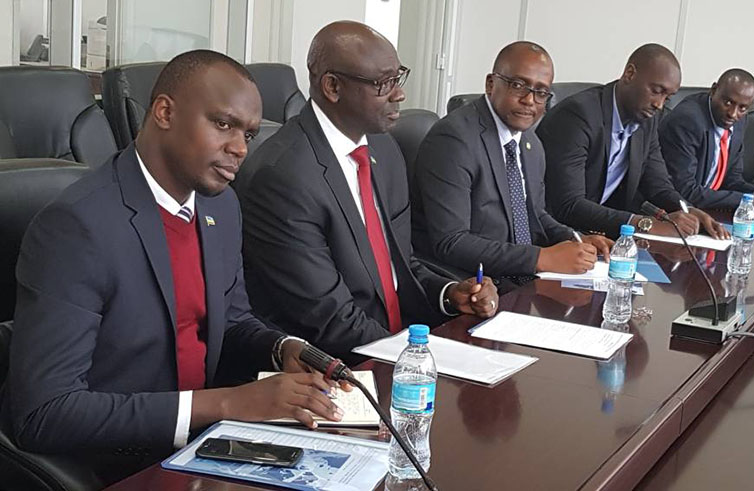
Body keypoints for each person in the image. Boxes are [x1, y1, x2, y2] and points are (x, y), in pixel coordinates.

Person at [2, 50, 346, 485]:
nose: (240, 148)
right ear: (164, 112)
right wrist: (226, 404)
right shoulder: (76, 226)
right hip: (121, 462)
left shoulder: (219, 206)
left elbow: (232, 320)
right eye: (223, 124)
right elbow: (45, 413)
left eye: (249, 133)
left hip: (207, 445)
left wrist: (282, 349)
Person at [238, 21, 498, 359]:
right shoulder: (283, 178)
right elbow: (330, 319)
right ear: (332, 86)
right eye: (383, 83)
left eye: (398, 76)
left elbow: (398, 264)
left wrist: (450, 295)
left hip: (395, 345)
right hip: (334, 367)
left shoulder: (384, 149)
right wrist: (420, 358)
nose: (399, 93)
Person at [412, 41, 611, 288]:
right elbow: (451, 242)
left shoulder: (530, 142)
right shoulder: (453, 139)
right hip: (474, 281)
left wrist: (576, 240)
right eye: (518, 85)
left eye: (541, 92)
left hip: (519, 273)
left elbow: (534, 213)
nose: (529, 100)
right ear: (490, 84)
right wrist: (542, 258)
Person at [537, 44, 728, 240]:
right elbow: (569, 205)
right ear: (629, 74)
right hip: (554, 235)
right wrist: (644, 224)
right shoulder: (578, 116)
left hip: (600, 234)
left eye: (667, 97)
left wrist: (688, 209)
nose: (659, 104)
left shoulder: (647, 120)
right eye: (656, 91)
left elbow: (658, 185)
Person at [659, 68, 754, 211]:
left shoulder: (739, 121)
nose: (733, 114)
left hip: (711, 208)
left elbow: (731, 180)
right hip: (679, 210)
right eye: (728, 102)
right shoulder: (687, 121)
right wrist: (753, 203)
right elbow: (685, 191)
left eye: (742, 108)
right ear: (714, 90)